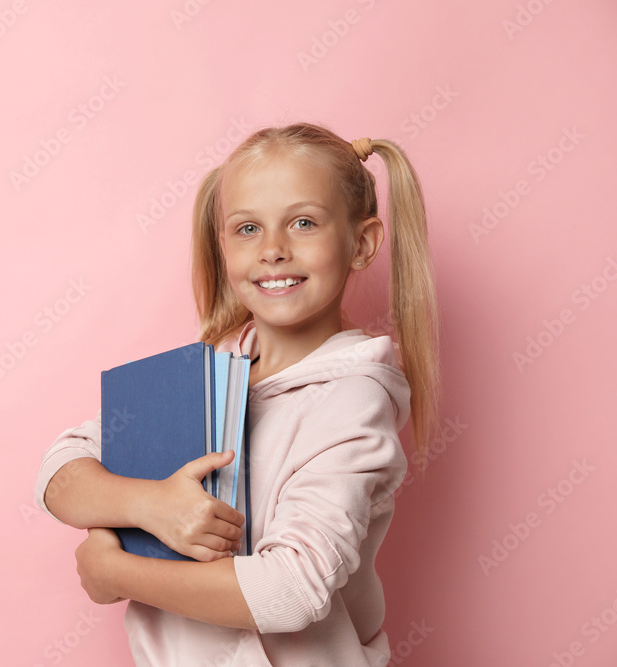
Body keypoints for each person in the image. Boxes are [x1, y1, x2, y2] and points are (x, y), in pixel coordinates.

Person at [33, 122, 441, 666]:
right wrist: (149, 505)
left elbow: (293, 590)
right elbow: (63, 463)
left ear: (361, 243)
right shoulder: (211, 365)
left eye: (303, 223)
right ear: (222, 244)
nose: (272, 250)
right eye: (248, 228)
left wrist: (115, 573)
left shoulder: (352, 402)